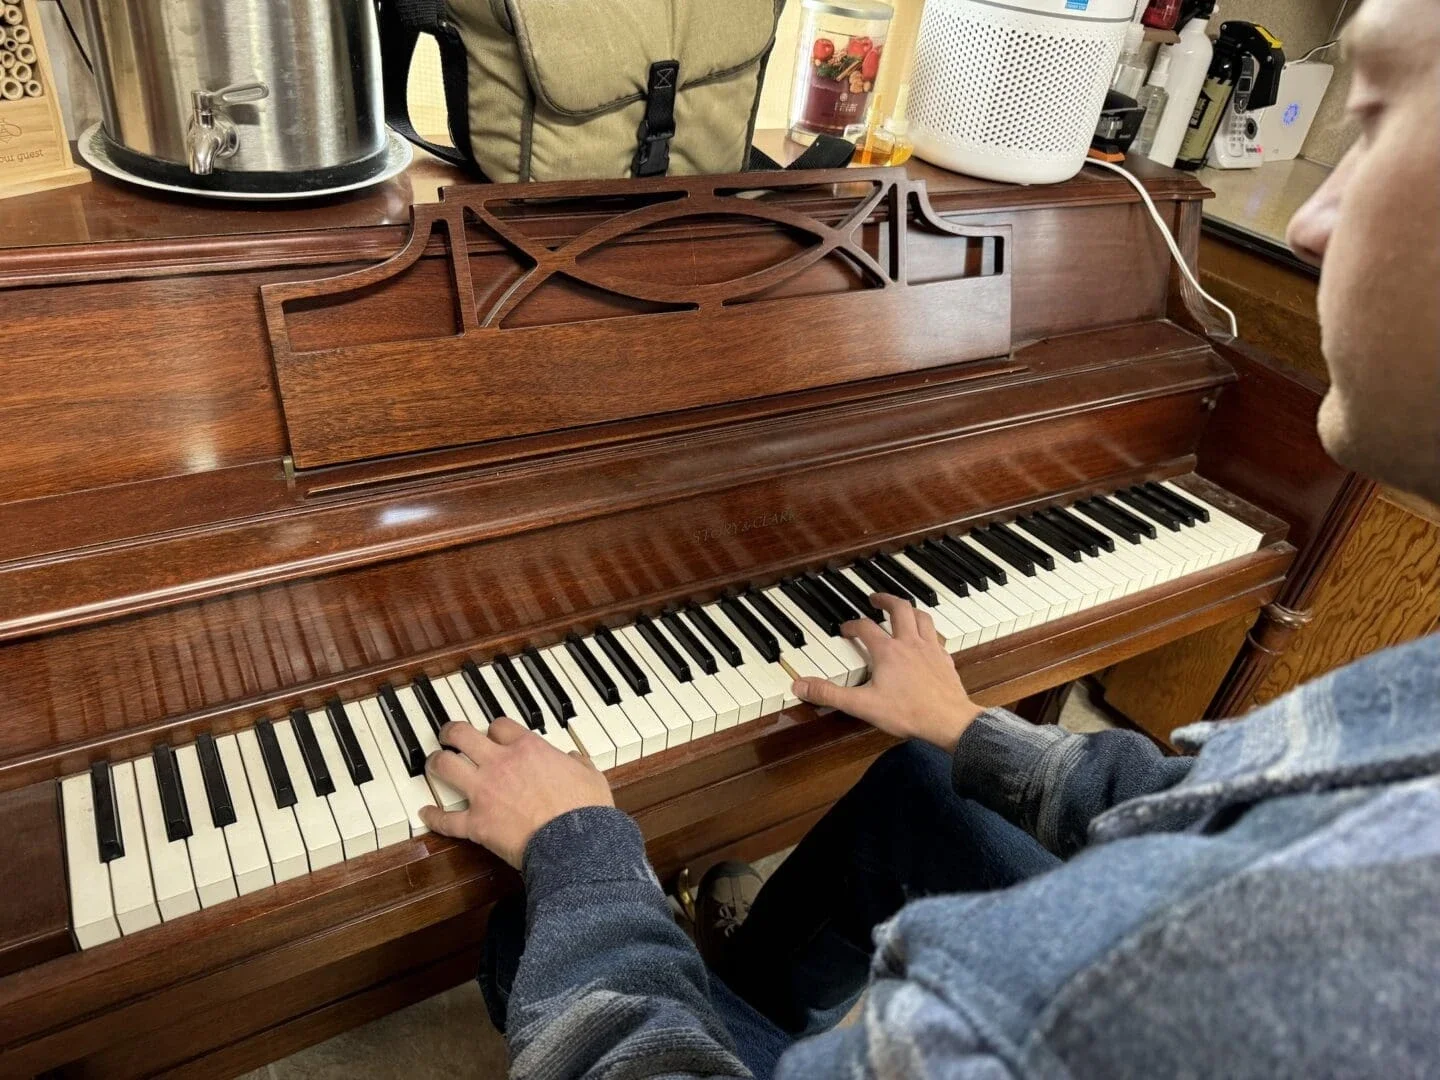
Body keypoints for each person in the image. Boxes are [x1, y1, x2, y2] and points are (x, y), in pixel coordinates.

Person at [418, 0, 1440, 1072]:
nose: (1312, 223)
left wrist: (580, 855)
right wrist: (966, 725)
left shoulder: (1137, 1000)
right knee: (918, 778)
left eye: (1378, 120)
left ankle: (719, 1017)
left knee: (533, 932)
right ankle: (747, 988)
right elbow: (1197, 809)